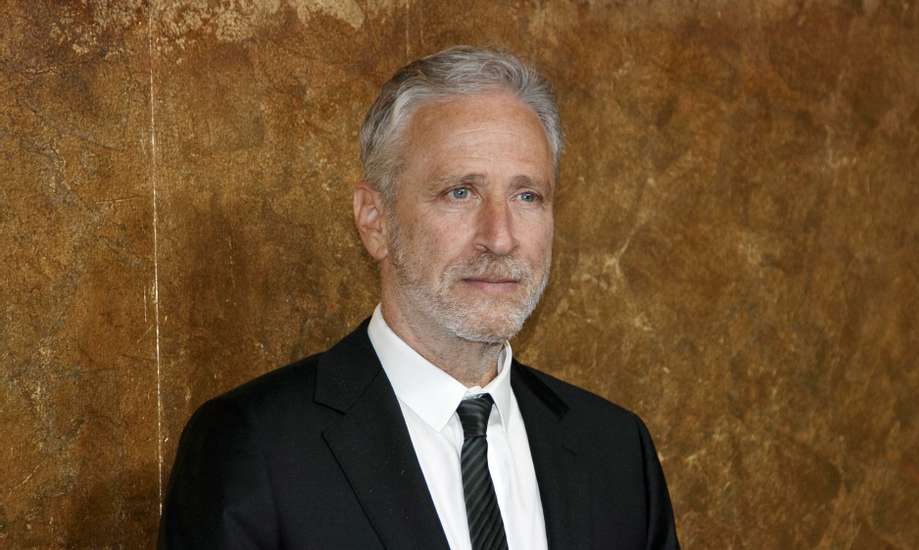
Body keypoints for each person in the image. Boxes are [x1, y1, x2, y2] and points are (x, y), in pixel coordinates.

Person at [159, 45, 679, 550]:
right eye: (460, 192)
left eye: (527, 196)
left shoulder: (615, 451)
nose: (499, 237)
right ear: (375, 219)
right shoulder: (256, 447)